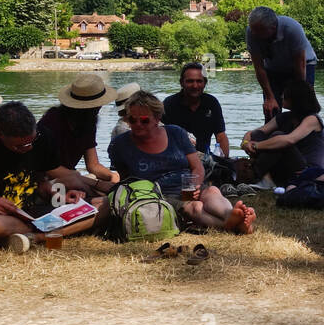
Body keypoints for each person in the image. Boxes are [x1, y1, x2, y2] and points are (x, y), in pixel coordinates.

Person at [0, 101, 106, 251]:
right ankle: (51, 231)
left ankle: (37, 237)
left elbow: (40, 183)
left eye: (31, 142)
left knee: (105, 204)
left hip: (31, 212)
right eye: (19, 146)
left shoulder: (43, 137)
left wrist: (58, 195)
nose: (28, 148)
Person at [108, 91, 255, 234]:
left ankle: (231, 215)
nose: (138, 124)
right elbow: (126, 179)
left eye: (144, 120)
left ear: (157, 118)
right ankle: (232, 225)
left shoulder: (175, 133)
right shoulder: (120, 145)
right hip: (159, 194)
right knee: (195, 207)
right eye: (132, 120)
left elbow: (197, 166)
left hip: (187, 185)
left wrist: (196, 184)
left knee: (212, 191)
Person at [38, 74, 120, 195]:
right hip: (46, 182)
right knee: (83, 186)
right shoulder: (52, 122)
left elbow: (93, 165)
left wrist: (111, 176)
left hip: (73, 176)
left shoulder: (89, 122)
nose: (99, 108)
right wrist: (98, 184)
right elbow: (49, 169)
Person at [241, 79, 324, 188]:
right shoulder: (285, 117)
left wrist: (256, 146)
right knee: (258, 135)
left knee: (279, 138)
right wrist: (246, 142)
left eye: (285, 95)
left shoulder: (312, 119)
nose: (281, 96)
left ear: (296, 99)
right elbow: (254, 133)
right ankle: (264, 177)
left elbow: (289, 140)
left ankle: (254, 175)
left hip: (306, 170)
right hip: (286, 166)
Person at [247, 5, 317, 120]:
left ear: (273, 27)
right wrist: (270, 98)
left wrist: (298, 95)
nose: (254, 35)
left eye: (259, 31)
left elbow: (300, 64)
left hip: (302, 65)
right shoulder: (252, 32)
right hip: (273, 68)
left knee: (302, 108)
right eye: (253, 30)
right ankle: (272, 135)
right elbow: (259, 67)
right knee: (271, 110)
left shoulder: (292, 29)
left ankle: (305, 132)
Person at [164, 62, 231, 157]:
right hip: (176, 157)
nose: (195, 86)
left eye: (199, 81)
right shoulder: (169, 104)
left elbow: (220, 136)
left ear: (205, 83)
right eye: (190, 81)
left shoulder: (211, 102)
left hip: (204, 156)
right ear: (181, 83)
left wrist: (225, 162)